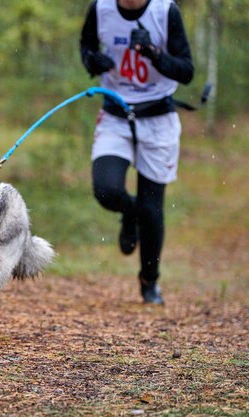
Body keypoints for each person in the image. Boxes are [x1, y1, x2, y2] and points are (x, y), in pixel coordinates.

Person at [80, 0, 194, 304]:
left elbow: (186, 71)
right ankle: (130, 213)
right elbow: (86, 47)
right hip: (115, 116)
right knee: (106, 190)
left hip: (158, 119)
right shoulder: (100, 9)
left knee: (152, 207)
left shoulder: (165, 11)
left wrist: (155, 54)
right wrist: (93, 61)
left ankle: (149, 281)